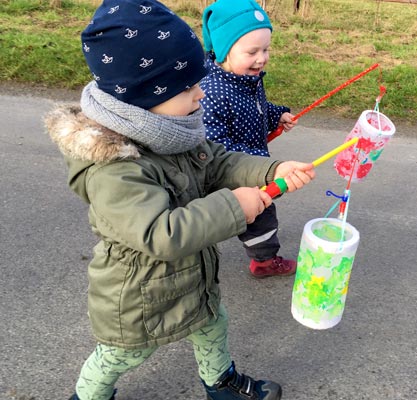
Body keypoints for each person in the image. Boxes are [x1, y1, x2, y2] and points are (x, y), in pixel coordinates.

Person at [44, 1, 315, 399]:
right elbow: (160, 232)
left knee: (213, 325)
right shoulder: (115, 167)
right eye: (188, 88)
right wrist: (233, 208)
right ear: (141, 96)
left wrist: (270, 171)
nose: (200, 93)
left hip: (192, 276)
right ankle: (87, 397)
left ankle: (221, 383)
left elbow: (217, 161)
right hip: (140, 294)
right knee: (120, 356)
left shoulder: (170, 128)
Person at [200, 0, 299, 278]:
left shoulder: (247, 78)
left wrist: (276, 115)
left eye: (266, 49)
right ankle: (197, 257)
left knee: (261, 216)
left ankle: (263, 259)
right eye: (252, 51)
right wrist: (258, 167)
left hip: (252, 166)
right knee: (252, 215)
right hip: (229, 173)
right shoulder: (212, 93)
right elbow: (215, 148)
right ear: (223, 51)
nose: (262, 58)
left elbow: (256, 110)